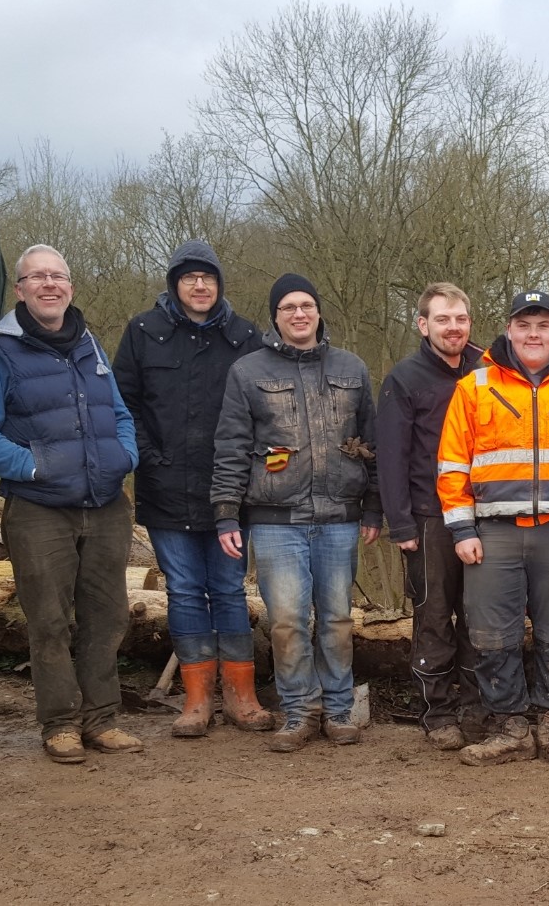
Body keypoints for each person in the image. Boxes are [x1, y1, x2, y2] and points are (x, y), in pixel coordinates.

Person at [0, 244, 142, 764]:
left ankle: (102, 720)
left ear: (70, 288)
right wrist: (32, 467)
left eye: (57, 277)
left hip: (106, 504)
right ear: (19, 290)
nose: (49, 285)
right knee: (49, 622)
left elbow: (120, 414)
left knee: (107, 618)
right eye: (36, 277)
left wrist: (123, 456)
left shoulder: (89, 345)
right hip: (40, 509)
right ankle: (60, 725)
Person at [438, 290, 549, 770]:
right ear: (509, 330)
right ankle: (511, 728)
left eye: (543, 325)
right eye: (524, 325)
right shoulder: (474, 387)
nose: (534, 334)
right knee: (492, 634)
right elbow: (452, 464)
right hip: (493, 530)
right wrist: (462, 530)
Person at [210, 273, 382, 753]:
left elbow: (371, 444)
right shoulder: (248, 372)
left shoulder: (352, 368)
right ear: (275, 316)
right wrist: (226, 513)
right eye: (288, 307)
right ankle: (300, 710)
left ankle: (340, 710)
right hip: (273, 519)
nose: (299, 313)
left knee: (337, 619)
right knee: (285, 621)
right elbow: (230, 446)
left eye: (306, 304)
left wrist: (374, 508)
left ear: (319, 311)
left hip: (339, 517)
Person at [113, 240, 271, 738]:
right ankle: (197, 699)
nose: (199, 286)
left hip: (230, 490)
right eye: (189, 277)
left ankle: (241, 697)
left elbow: (263, 411)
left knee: (227, 588)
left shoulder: (244, 336)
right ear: (174, 284)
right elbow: (123, 403)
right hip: (165, 487)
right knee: (182, 590)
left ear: (220, 284)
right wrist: (148, 456)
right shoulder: (144, 331)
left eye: (208, 277)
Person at [376, 282, 487, 751]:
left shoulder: (487, 371)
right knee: (434, 618)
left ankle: (479, 707)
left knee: (483, 619)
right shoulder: (405, 378)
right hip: (429, 518)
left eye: (460, 319)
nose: (453, 327)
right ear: (423, 325)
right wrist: (400, 524)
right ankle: (437, 711)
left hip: (486, 514)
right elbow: (391, 457)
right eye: (442, 319)